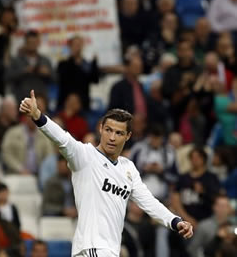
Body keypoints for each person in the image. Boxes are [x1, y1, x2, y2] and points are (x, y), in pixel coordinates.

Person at [19, 90, 193, 257]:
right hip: (92, 248)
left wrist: (175, 221)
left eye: (119, 133)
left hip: (109, 250)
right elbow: (62, 138)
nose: (112, 137)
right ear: (101, 128)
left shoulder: (128, 168)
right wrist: (38, 116)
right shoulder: (85, 156)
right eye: (108, 130)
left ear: (128, 136)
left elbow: (149, 202)